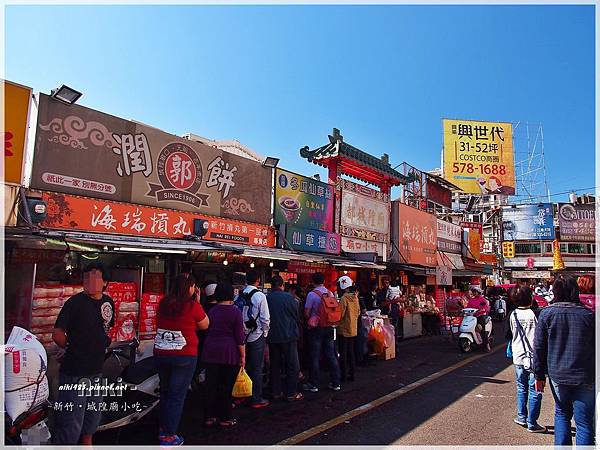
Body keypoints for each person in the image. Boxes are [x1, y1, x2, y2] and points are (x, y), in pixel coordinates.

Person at [52, 263, 115, 446]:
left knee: (91, 419)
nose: (89, 281)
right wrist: (72, 348)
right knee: (71, 422)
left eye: (95, 277)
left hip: (96, 370)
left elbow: (106, 329)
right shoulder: (75, 303)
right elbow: (57, 334)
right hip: (74, 372)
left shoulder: (108, 303)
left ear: (105, 282)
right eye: (86, 277)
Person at [533, 275, 595, 446]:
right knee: (584, 423)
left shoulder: (547, 314)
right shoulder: (588, 315)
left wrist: (539, 375)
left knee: (562, 414)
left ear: (555, 292)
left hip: (558, 374)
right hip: (585, 375)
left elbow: (538, 347)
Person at [153, 273, 209, 445]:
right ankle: (169, 435)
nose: (194, 289)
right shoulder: (192, 306)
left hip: (161, 353)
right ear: (189, 288)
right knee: (177, 395)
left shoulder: (163, 303)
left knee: (166, 392)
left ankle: (164, 428)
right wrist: (198, 303)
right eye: (193, 286)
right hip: (184, 355)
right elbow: (205, 324)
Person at [202, 283, 246, 428]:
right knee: (226, 387)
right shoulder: (235, 312)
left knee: (211, 385)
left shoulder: (212, 311)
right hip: (229, 353)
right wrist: (243, 356)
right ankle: (225, 418)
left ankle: (209, 416)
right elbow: (240, 338)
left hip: (210, 351)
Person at [505, 285, 545, 433]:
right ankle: (532, 423)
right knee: (535, 389)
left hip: (518, 357)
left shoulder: (512, 314)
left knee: (521, 387)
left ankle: (522, 416)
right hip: (535, 358)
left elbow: (508, 336)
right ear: (531, 297)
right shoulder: (537, 313)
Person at [303, 272, 341, 392]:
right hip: (329, 327)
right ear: (324, 281)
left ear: (312, 281)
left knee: (314, 356)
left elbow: (307, 313)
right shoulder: (329, 293)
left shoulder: (311, 294)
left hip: (316, 328)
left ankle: (314, 384)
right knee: (331, 354)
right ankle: (336, 382)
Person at [266, 276, 303, 401]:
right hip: (289, 335)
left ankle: (276, 392)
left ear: (271, 286)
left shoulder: (267, 298)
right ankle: (291, 393)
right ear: (282, 285)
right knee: (293, 365)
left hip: (272, 336)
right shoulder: (290, 298)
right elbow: (297, 316)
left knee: (275, 365)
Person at [238, 270, 270, 408]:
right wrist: (265, 332)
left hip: (242, 336)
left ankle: (242, 395)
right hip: (256, 335)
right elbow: (265, 318)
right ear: (258, 280)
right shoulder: (260, 296)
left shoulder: (239, 294)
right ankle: (256, 398)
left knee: (243, 366)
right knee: (257, 368)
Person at [337, 276, 360, 382]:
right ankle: (353, 374)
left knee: (343, 353)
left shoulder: (344, 298)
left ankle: (344, 375)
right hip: (353, 328)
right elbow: (358, 312)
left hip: (343, 329)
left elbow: (340, 314)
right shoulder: (355, 297)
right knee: (351, 352)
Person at [465, 286, 491, 350]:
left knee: (481, 328)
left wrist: (483, 310)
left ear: (478, 292)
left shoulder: (482, 299)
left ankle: (487, 344)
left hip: (480, 316)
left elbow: (486, 307)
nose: (474, 293)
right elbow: (468, 307)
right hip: (472, 316)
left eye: (475, 292)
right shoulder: (471, 300)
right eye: (473, 292)